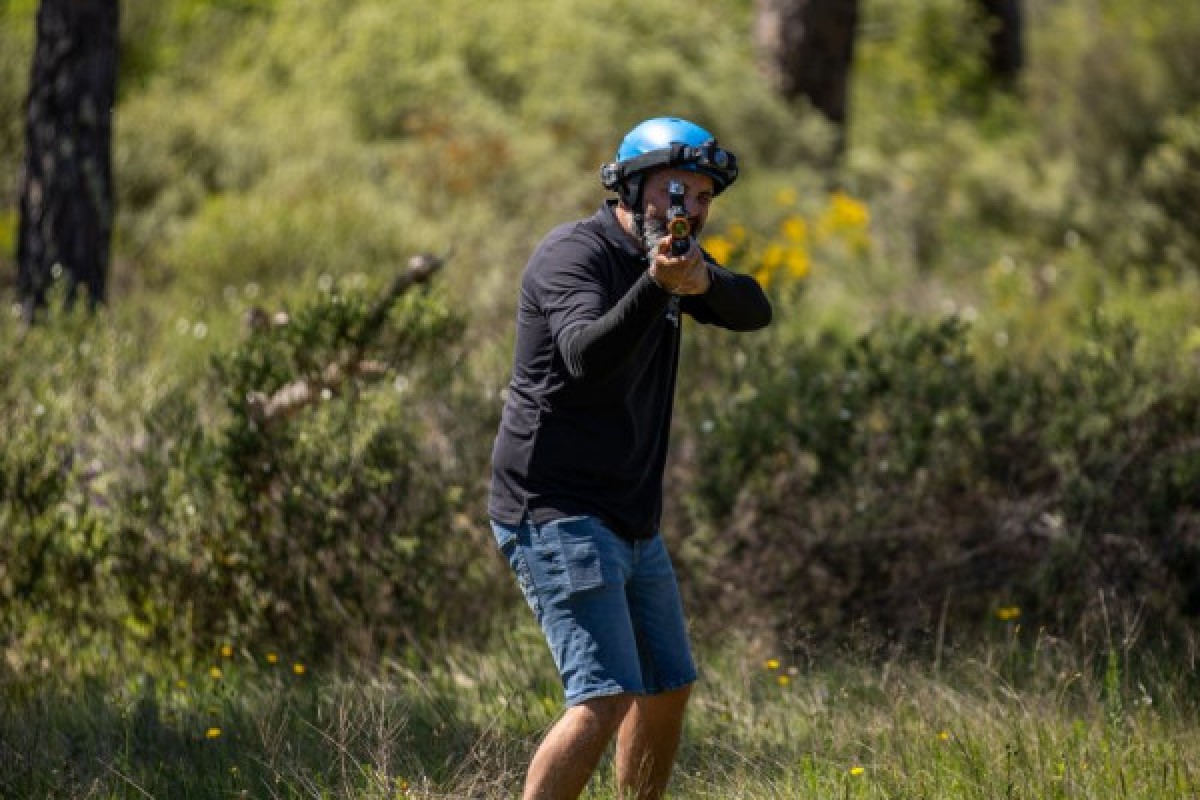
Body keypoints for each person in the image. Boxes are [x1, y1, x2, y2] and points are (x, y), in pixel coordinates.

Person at [488, 116, 772, 800]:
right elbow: (586, 355)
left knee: (668, 687)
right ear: (630, 185)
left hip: (631, 516)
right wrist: (658, 287)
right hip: (555, 508)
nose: (691, 211)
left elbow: (755, 308)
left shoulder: (674, 259)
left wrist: (697, 284)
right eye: (677, 193)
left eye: (703, 198)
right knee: (603, 697)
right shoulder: (572, 255)